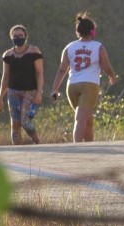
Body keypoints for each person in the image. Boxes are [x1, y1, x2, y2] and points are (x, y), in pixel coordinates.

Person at [49, 12, 117, 142]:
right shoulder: (98, 47)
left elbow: (62, 69)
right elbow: (106, 66)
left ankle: (90, 145)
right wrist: (112, 76)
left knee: (87, 119)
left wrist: (55, 88)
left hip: (72, 86)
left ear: (78, 31)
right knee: (80, 118)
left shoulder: (69, 47)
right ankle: (77, 146)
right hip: (89, 86)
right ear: (92, 31)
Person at [0, 25, 44, 145]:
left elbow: (40, 73)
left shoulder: (34, 52)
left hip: (30, 91)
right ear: (11, 37)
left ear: (25, 36)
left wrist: (39, 92)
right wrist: (0, 98)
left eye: (20, 36)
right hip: (13, 91)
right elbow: (5, 77)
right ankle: (17, 149)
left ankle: (37, 140)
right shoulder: (8, 55)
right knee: (15, 123)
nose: (18, 38)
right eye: (15, 36)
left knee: (25, 121)